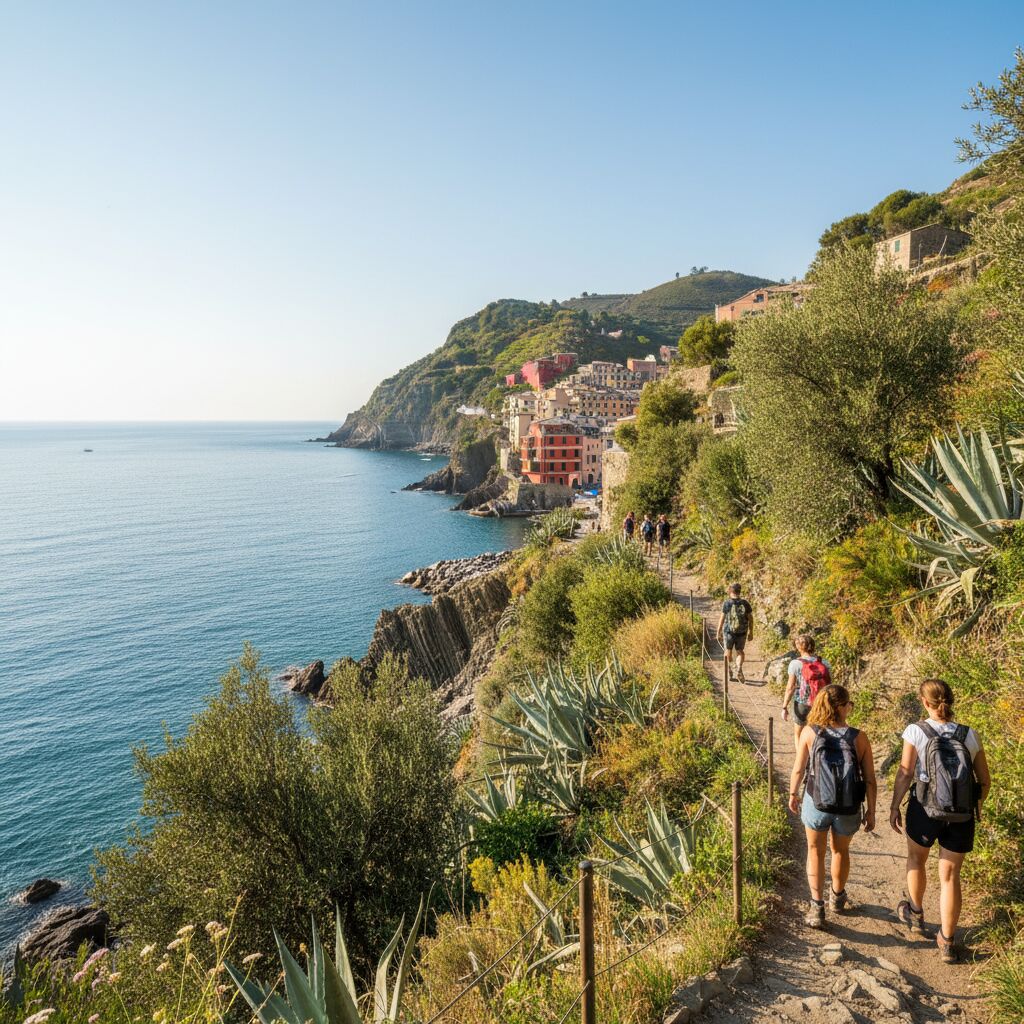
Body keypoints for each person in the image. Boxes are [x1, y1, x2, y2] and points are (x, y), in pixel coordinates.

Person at [889, 679, 990, 963]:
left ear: (925, 702)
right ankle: (946, 941)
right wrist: (976, 806)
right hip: (961, 813)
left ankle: (916, 914)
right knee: (950, 876)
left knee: (916, 861)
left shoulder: (916, 731)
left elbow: (906, 772)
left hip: (924, 808)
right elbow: (985, 780)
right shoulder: (970, 735)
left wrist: (895, 806)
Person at [788, 684, 876, 928]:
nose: (850, 708)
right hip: (849, 805)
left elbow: (798, 768)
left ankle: (817, 908)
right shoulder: (859, 737)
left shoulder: (809, 732)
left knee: (815, 851)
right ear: (842, 707)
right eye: (849, 704)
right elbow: (870, 779)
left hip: (817, 801)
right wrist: (871, 810)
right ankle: (837, 897)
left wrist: (793, 793)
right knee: (840, 851)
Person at [781, 634, 832, 749]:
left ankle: (802, 762)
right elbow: (830, 685)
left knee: (798, 733)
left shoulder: (795, 664)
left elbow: (790, 687)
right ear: (813, 646)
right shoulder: (824, 663)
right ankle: (816, 757)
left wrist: (784, 707)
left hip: (802, 703)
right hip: (821, 703)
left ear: (798, 648)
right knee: (818, 733)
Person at [715, 583, 753, 683]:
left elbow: (722, 618)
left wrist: (718, 631)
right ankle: (739, 667)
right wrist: (751, 632)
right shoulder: (745, 603)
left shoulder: (727, 603)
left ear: (731, 591)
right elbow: (750, 618)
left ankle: (731, 669)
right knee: (740, 651)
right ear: (739, 591)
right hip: (742, 632)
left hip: (729, 632)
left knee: (728, 651)